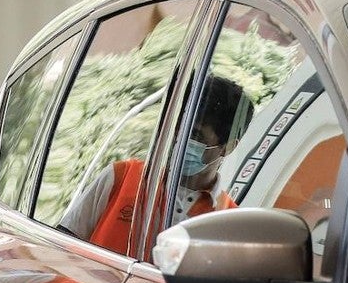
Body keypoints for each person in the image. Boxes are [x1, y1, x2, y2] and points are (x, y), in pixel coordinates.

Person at [59, 75, 250, 253]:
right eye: (175, 127)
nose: (177, 139)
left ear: (228, 147)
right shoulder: (121, 177)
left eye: (194, 134)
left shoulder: (231, 223)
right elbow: (60, 246)